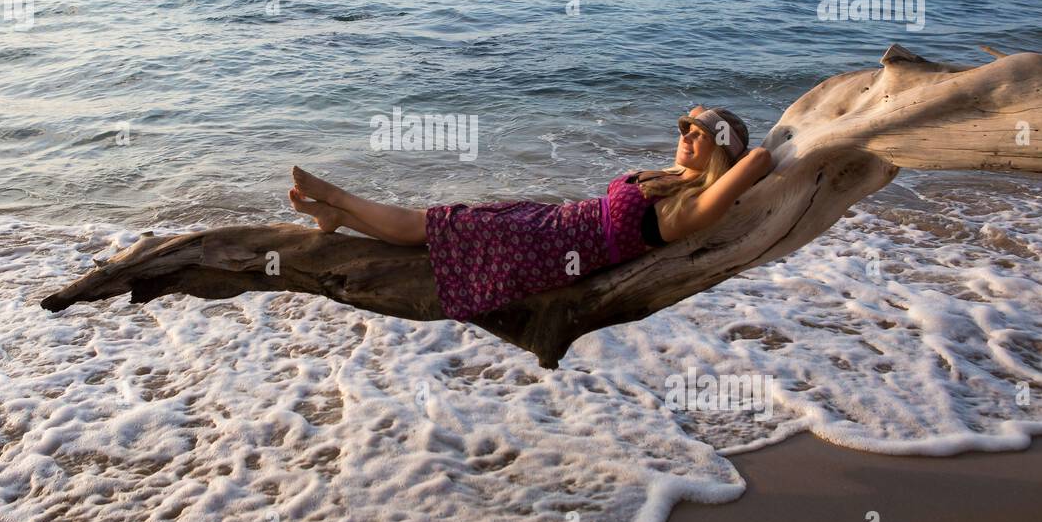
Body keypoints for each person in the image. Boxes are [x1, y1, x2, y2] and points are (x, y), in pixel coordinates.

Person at [288, 105, 775, 320]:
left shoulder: (691, 208)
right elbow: (706, 140)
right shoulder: (674, 178)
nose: (685, 136)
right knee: (438, 224)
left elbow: (757, 160)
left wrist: (732, 142)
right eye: (684, 129)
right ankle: (342, 218)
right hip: (547, 227)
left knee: (431, 225)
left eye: (698, 135)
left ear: (719, 153)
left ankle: (340, 200)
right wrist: (702, 123)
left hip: (549, 249)